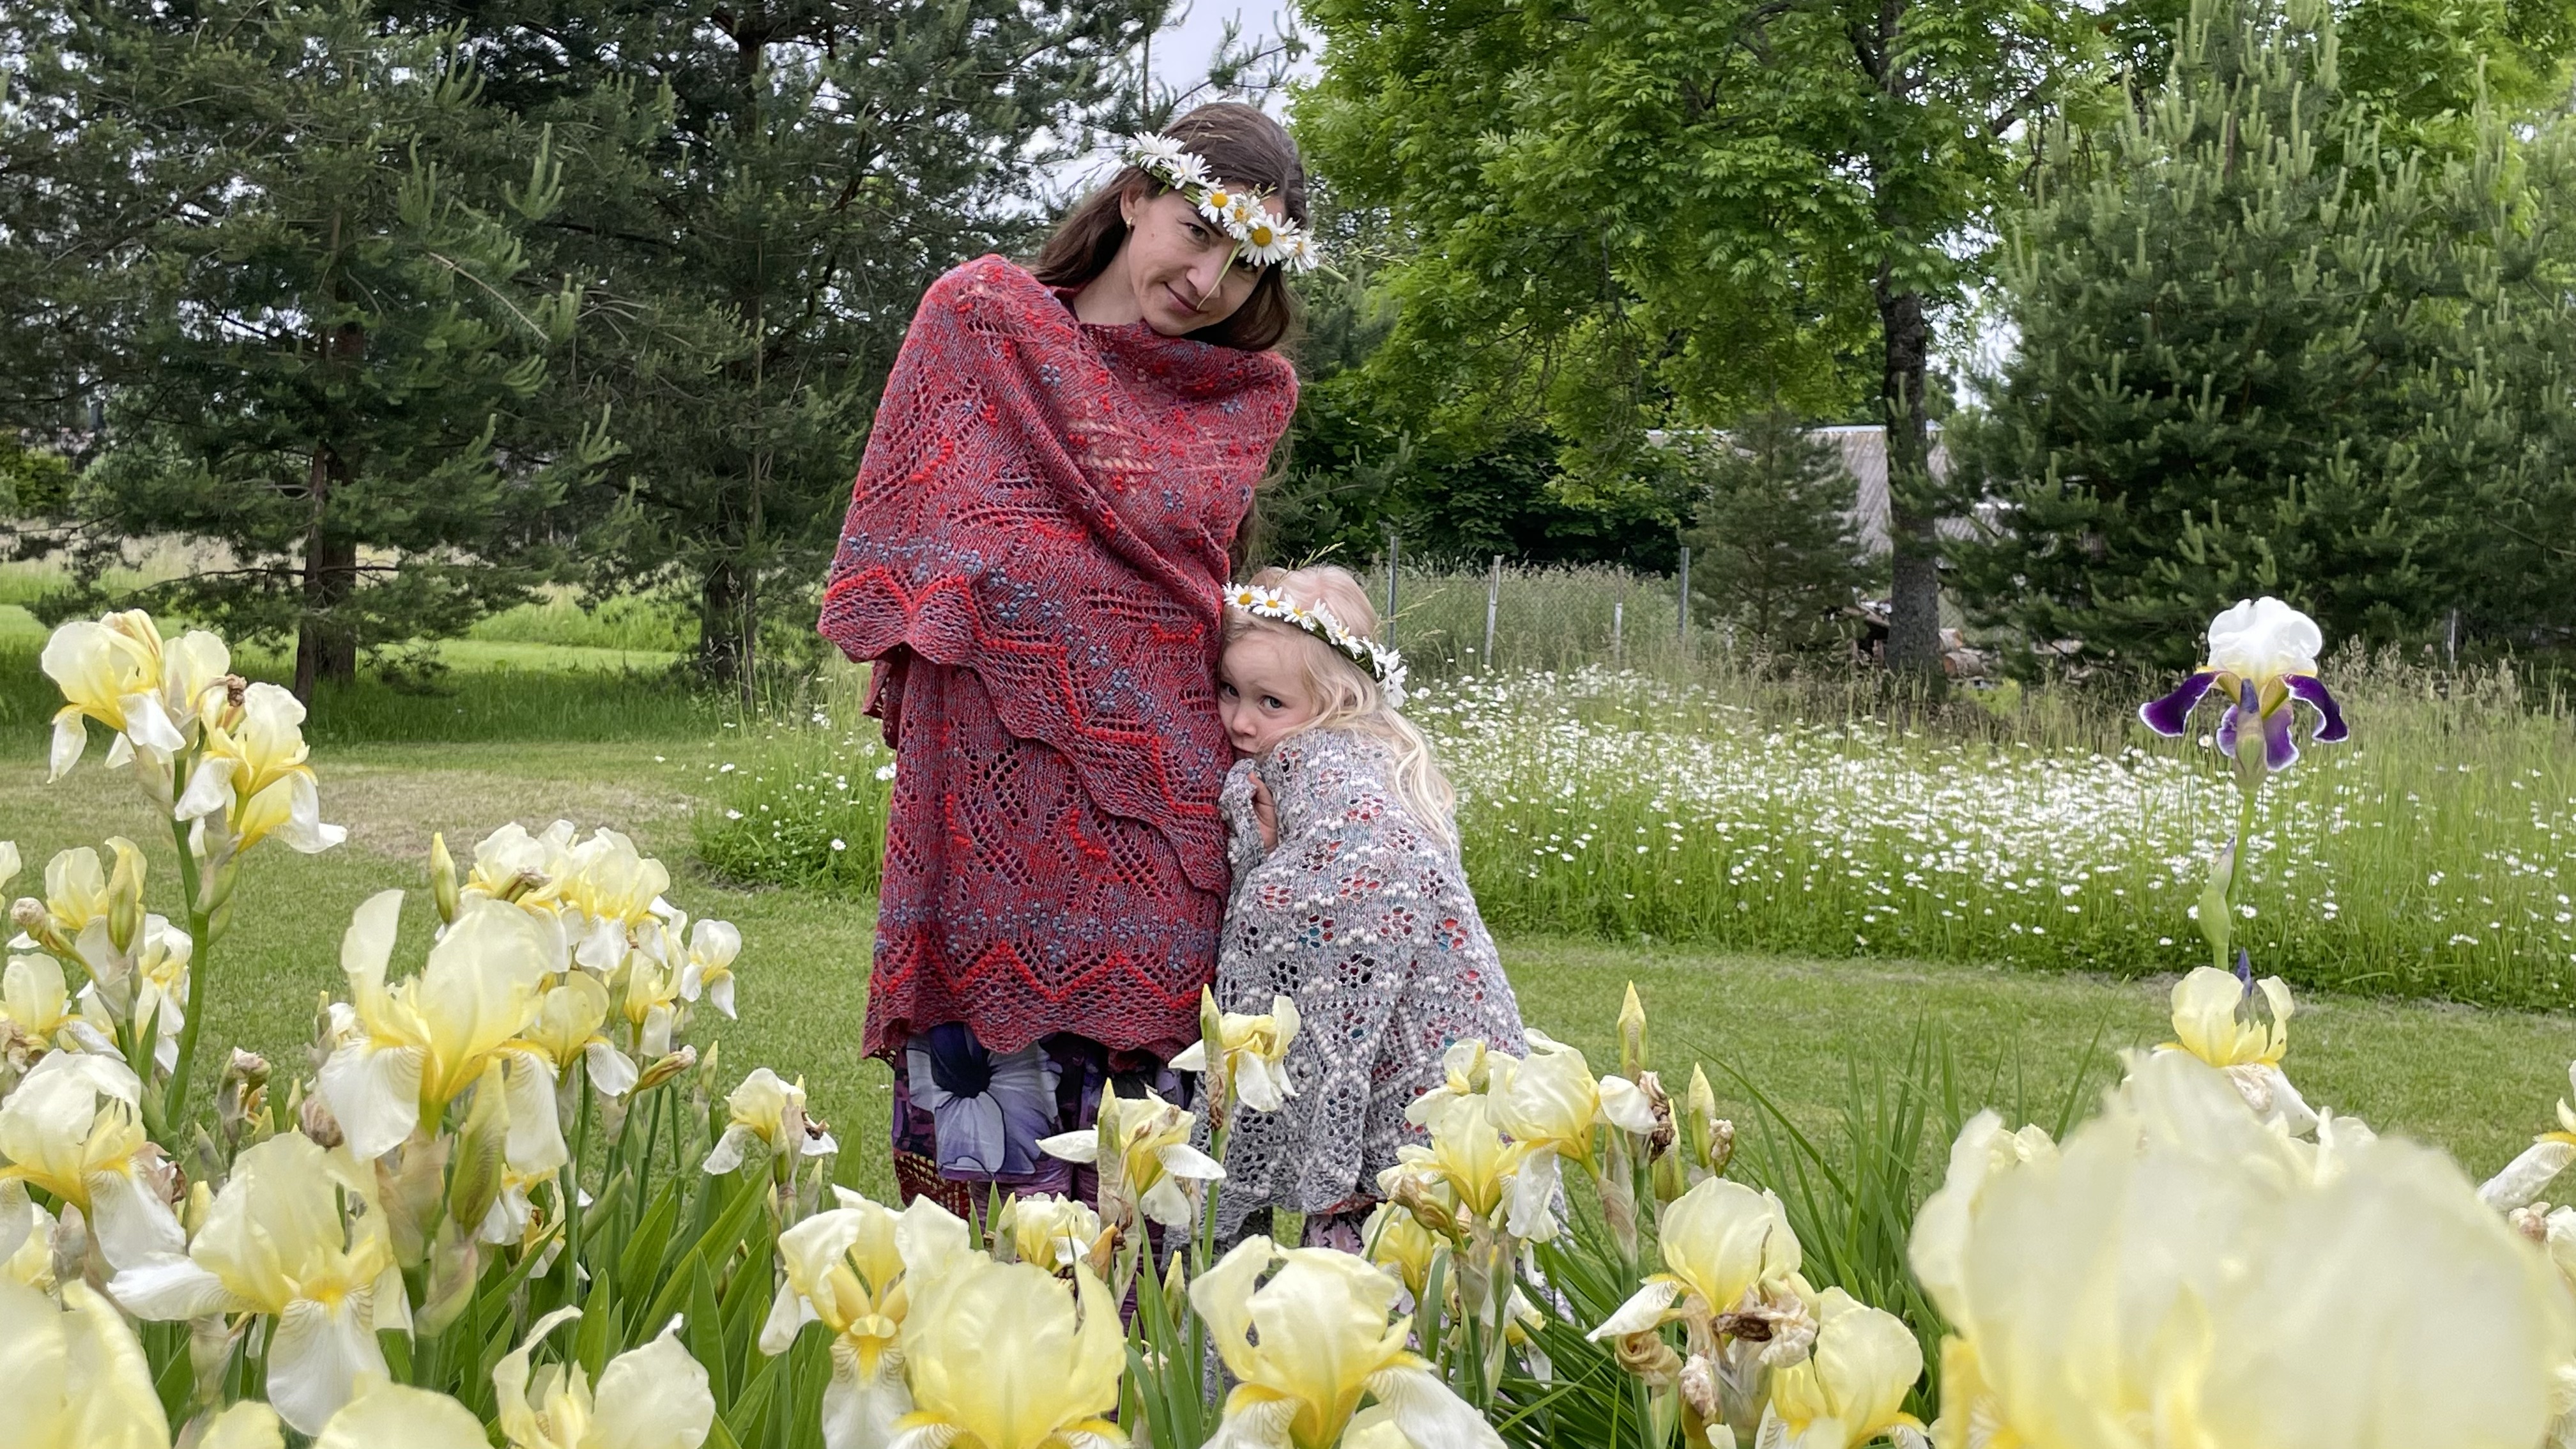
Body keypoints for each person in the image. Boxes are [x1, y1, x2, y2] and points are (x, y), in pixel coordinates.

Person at [815, 103, 1319, 1213]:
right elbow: (908, 555)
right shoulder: (977, 326)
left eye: (1246, 263)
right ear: (1135, 196)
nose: (1210, 279)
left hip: (1160, 846)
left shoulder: (1242, 397)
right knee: (976, 1256)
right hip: (981, 836)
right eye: (1196, 231)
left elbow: (1202, 603)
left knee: (1127, 1236)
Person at [1204, 565, 1526, 1247]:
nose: (1240, 720)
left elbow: (1374, 878)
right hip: (1462, 1030)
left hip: (1402, 1032)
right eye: (1229, 691)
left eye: (1270, 703)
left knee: (1391, 1219)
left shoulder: (1315, 763)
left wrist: (1261, 874)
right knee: (1457, 1223)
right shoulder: (1375, 757)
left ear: (1334, 699)